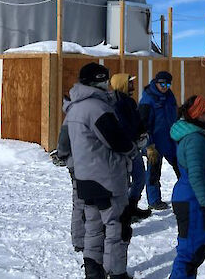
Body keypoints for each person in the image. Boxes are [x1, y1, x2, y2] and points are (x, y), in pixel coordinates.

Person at [64, 63, 135, 279]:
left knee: (94, 227)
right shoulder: (98, 108)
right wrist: (133, 148)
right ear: (100, 81)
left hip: (85, 176)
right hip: (107, 177)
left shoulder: (74, 107)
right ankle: (116, 272)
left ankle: (93, 271)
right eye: (106, 80)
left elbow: (65, 142)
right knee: (116, 226)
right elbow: (118, 141)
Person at [170, 95, 205, 278]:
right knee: (189, 255)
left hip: (192, 200)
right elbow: (196, 176)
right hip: (193, 202)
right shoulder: (195, 140)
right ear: (199, 114)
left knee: (193, 253)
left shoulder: (197, 136)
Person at [110, 73, 152, 222]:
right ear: (122, 84)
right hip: (123, 149)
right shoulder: (115, 103)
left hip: (134, 147)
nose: (133, 85)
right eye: (129, 82)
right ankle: (123, 213)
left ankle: (132, 206)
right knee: (124, 181)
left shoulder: (129, 101)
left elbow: (136, 121)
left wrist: (142, 133)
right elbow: (122, 126)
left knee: (140, 177)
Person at [139, 71, 179, 210]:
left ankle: (186, 194)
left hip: (171, 141)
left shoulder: (170, 96)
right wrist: (148, 145)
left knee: (182, 167)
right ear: (156, 82)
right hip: (154, 143)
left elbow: (175, 115)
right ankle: (154, 200)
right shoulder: (148, 99)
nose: (165, 87)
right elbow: (142, 124)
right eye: (162, 84)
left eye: (168, 84)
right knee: (153, 172)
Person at [56, 123, 85, 253]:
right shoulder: (100, 108)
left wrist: (63, 156)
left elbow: (63, 144)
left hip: (75, 163)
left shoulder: (72, 113)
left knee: (79, 202)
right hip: (94, 164)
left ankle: (79, 240)